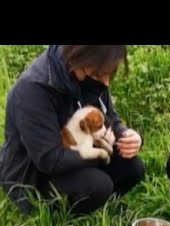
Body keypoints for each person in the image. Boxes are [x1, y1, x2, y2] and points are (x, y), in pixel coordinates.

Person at [0, 45, 145, 215]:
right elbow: (50, 160)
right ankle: (55, 217)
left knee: (133, 168)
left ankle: (97, 206)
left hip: (77, 149)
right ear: (77, 60)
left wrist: (126, 134)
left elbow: (109, 116)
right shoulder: (33, 91)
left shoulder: (88, 75)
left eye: (111, 73)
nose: (106, 82)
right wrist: (97, 154)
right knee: (98, 185)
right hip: (36, 174)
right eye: (100, 74)